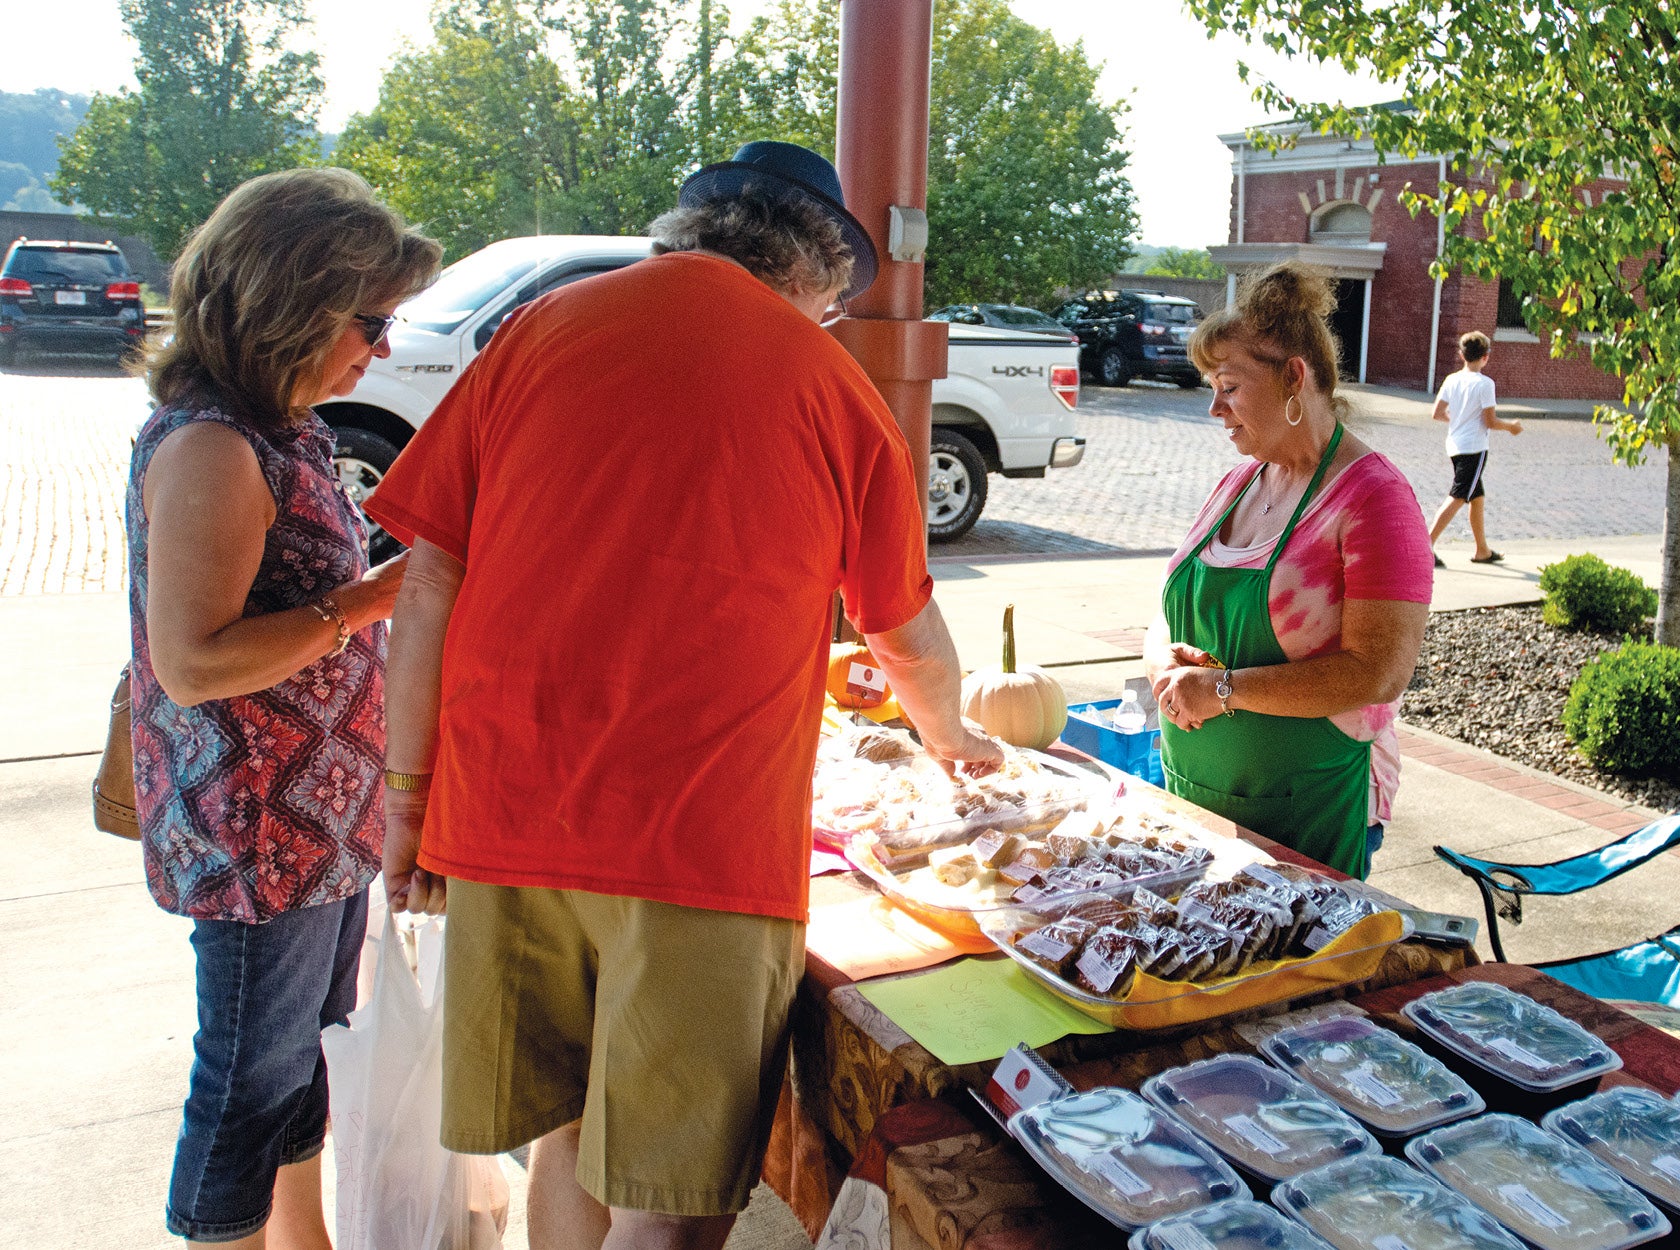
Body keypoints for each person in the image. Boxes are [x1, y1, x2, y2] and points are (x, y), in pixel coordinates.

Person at [369, 140, 999, 1250]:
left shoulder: (536, 332)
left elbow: (427, 582)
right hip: (699, 839)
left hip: (505, 806)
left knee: (560, 1142)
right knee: (669, 1203)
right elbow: (906, 634)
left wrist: (410, 798)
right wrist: (952, 743)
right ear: (816, 281)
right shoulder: (827, 381)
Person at [127, 168, 439, 1247]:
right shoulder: (214, 445)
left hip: (316, 826)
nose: (382, 349)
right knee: (246, 1087)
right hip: (258, 837)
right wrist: (363, 602)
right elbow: (193, 662)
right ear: (292, 302)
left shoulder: (283, 422)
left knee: (307, 1058)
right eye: (371, 321)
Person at [1146, 263, 1434, 879]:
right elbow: (1164, 611)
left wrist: (1223, 692)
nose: (1215, 410)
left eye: (1228, 386)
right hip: (1197, 801)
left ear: (1293, 378)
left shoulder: (1374, 499)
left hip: (1307, 815)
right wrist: (1165, 667)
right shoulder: (1238, 482)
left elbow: (1378, 673)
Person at [1425, 330, 1523, 564]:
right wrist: (1511, 427)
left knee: (1476, 497)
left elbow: (1437, 413)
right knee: (1458, 496)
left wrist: (1458, 420)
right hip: (1474, 448)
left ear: (1461, 355)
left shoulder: (1452, 380)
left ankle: (1482, 550)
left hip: (1455, 445)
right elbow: (1490, 421)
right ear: (1486, 356)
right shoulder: (1485, 384)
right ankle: (1425, 546)